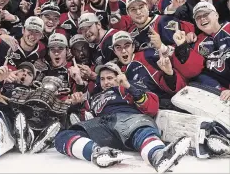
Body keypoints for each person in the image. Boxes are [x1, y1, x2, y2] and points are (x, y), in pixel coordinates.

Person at [54, 62, 191, 173]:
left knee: (142, 130)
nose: (106, 82)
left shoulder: (127, 88)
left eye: (110, 78)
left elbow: (152, 107)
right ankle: (97, 153)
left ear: (119, 77)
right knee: (63, 136)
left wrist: (129, 86)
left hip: (128, 120)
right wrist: (76, 105)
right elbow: (84, 119)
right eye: (102, 79)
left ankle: (158, 156)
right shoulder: (94, 97)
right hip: (104, 127)